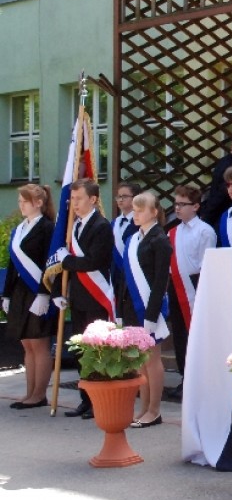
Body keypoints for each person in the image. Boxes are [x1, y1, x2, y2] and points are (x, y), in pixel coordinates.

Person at [51, 179, 115, 419]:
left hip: (95, 298)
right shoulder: (73, 226)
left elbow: (93, 261)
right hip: (78, 298)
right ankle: (86, 399)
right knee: (80, 351)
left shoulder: (101, 226)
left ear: (93, 199)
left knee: (96, 351)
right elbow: (64, 264)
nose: (73, 203)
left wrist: (67, 260)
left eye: (78, 199)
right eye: (72, 199)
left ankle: (100, 401)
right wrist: (58, 292)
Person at [120, 191, 172, 428]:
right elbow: (124, 277)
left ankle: (154, 410)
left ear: (154, 212)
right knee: (140, 360)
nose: (136, 214)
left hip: (150, 308)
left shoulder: (160, 240)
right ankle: (143, 408)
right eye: (135, 209)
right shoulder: (133, 239)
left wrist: (151, 315)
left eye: (141, 210)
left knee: (152, 359)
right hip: (132, 306)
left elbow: (161, 281)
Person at [3, 184, 55, 409]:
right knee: (27, 344)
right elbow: (12, 264)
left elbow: (49, 262)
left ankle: (39, 394)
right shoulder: (20, 229)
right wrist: (6, 294)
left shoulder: (47, 228)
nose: (21, 205)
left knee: (39, 343)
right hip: (19, 291)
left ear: (39, 203)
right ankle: (29, 392)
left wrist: (44, 293)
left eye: (25, 201)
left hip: (37, 292)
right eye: (20, 201)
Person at [166, 185, 216, 392]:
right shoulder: (173, 231)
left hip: (195, 285)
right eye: (176, 204)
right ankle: (184, 376)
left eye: (183, 204)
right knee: (179, 333)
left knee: (195, 332)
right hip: (175, 285)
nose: (177, 208)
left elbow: (207, 263)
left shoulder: (205, 231)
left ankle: (200, 377)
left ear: (195, 206)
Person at [111, 181, 141, 310]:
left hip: (132, 274)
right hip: (115, 274)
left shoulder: (139, 223)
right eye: (118, 196)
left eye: (124, 196)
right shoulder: (113, 223)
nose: (120, 200)